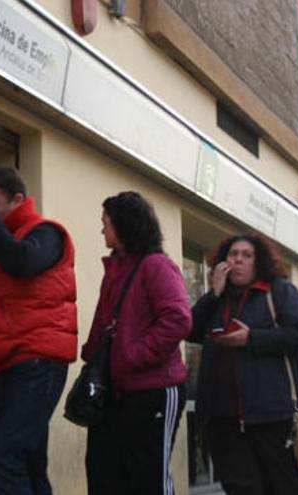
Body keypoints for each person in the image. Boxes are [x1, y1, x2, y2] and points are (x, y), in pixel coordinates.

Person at [0, 166, 77, 494]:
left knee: (4, 458)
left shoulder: (46, 233)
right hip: (13, 364)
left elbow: (22, 261)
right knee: (28, 462)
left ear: (18, 199)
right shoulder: (6, 240)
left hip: (36, 363)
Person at [81, 191, 190, 494]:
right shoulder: (115, 270)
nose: (102, 229)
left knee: (147, 480)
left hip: (153, 391)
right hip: (114, 394)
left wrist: (130, 356)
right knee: (104, 477)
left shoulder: (157, 266)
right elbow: (105, 323)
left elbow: (178, 320)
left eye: (106, 222)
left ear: (125, 225)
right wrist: (92, 355)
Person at [189, 232, 298, 495]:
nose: (238, 260)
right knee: (241, 488)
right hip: (222, 415)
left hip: (271, 412)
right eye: (233, 255)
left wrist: (252, 338)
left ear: (259, 262)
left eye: (246, 255)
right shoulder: (216, 299)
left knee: (284, 486)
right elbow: (189, 329)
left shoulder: (279, 291)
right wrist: (213, 293)